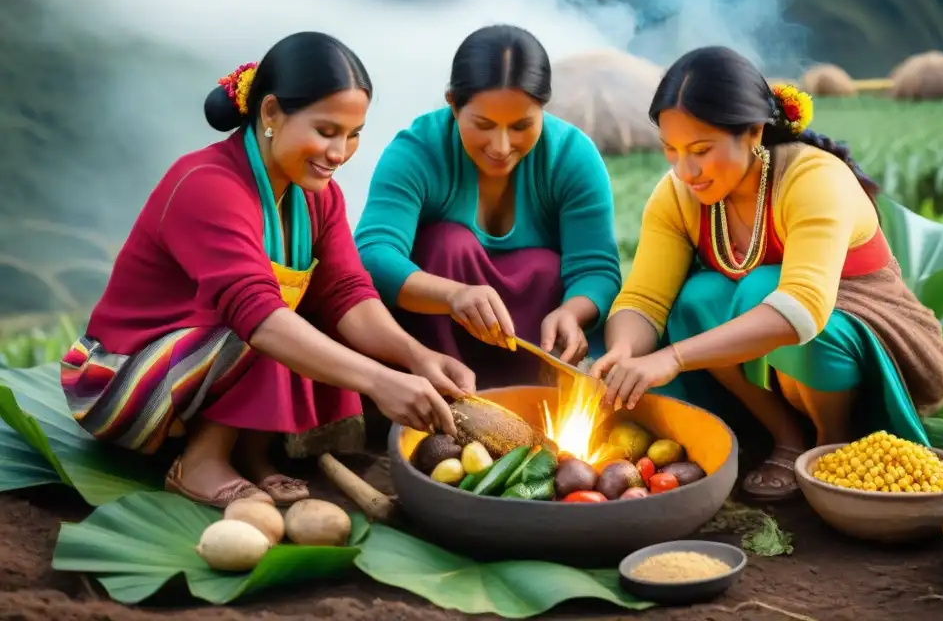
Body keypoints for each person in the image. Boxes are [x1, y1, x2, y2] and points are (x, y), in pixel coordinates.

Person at [60, 32, 476, 509]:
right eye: (326, 131)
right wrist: (379, 381)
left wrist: (415, 355)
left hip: (201, 368)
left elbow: (347, 292)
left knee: (313, 303)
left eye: (353, 134)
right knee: (266, 314)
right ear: (272, 113)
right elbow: (256, 316)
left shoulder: (319, 196)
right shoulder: (207, 185)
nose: (339, 153)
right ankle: (201, 461)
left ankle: (252, 452)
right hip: (122, 382)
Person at [590, 46, 943, 502]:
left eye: (701, 150)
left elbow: (801, 308)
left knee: (764, 287)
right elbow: (645, 298)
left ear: (753, 133)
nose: (686, 170)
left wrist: (673, 358)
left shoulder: (812, 178)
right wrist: (623, 352)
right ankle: (784, 437)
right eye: (672, 150)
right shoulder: (678, 195)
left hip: (871, 333)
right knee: (698, 297)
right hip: (772, 345)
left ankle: (832, 440)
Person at [354, 25, 621, 389]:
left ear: (544, 107)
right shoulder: (418, 151)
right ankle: (444, 393)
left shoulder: (572, 156)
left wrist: (571, 312)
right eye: (484, 125)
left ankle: (532, 396)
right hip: (435, 335)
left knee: (545, 267)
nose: (501, 145)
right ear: (452, 102)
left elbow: (597, 267)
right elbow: (373, 253)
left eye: (522, 126)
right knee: (447, 243)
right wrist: (452, 295)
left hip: (534, 340)